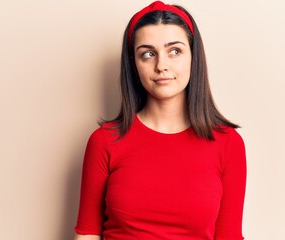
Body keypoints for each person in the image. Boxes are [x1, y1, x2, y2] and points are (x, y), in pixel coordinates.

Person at [74, 1, 246, 240]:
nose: (161, 66)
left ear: (193, 57)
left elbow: (229, 236)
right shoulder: (105, 141)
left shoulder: (228, 143)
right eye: (148, 54)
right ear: (134, 65)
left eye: (174, 51)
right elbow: (87, 235)